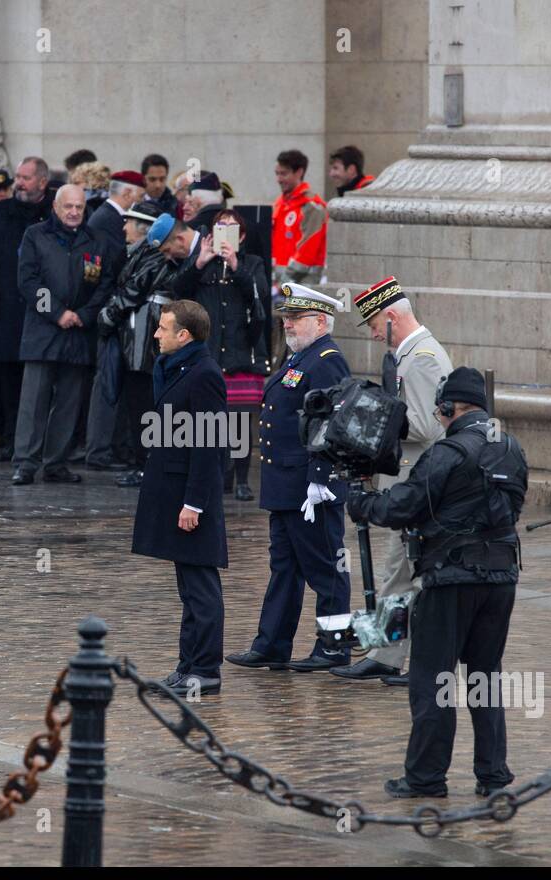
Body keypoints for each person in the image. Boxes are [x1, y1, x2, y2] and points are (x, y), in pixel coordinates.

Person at [346, 367, 528, 799]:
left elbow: (404, 506)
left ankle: (426, 777)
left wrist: (363, 503)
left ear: (449, 408)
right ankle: (493, 774)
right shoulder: (512, 447)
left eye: (441, 410)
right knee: (485, 677)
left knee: (432, 679)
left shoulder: (447, 451)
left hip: (449, 579)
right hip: (501, 577)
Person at [329, 276, 454, 683]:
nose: (372, 335)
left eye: (373, 326)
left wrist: (375, 420)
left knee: (402, 574)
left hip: (416, 481)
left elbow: (426, 426)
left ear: (391, 317)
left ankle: (390, 656)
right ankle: (384, 653)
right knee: (398, 573)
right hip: (407, 481)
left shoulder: (421, 357)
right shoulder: (412, 355)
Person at [225, 284, 353, 673]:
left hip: (307, 486)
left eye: (296, 319)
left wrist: (320, 479)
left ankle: (334, 648)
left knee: (325, 567)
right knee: (285, 566)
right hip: (285, 484)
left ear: (320, 321)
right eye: (286, 317)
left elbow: (330, 424)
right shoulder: (300, 358)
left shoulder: (326, 359)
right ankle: (272, 644)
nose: (287, 324)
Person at [131, 299, 228, 694]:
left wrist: (195, 503)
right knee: (187, 587)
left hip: (191, 497)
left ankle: (205, 669)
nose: (156, 334)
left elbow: (209, 446)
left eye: (163, 328)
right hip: (172, 490)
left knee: (201, 588)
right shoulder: (173, 367)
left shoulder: (204, 374)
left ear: (183, 335)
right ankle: (188, 663)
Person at [10, 184, 118, 484]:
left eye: (79, 208)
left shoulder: (95, 239)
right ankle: (25, 463)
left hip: (79, 332)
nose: (73, 213)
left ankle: (56, 462)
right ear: (56, 207)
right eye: (68, 207)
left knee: (69, 402)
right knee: (34, 400)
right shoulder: (35, 235)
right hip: (43, 330)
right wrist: (57, 312)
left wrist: (82, 315)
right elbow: (28, 280)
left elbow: (105, 284)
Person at [170, 207, 270, 501]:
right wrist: (199, 261)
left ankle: (241, 479)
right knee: (211, 420)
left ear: (240, 236)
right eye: (220, 227)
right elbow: (179, 292)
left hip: (241, 351)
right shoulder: (200, 264)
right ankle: (218, 475)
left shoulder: (251, 263)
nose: (225, 231)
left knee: (238, 421)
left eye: (231, 228)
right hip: (208, 353)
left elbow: (260, 295)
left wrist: (236, 266)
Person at [0, 156, 54, 460]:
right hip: (7, 309)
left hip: (43, 311)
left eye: (25, 178)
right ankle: (11, 438)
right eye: (17, 176)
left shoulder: (53, 212)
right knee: (7, 377)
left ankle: (40, 442)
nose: (18, 183)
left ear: (42, 182)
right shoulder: (0, 212)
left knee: (39, 379)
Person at [99, 201, 173, 488]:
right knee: (136, 405)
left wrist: (107, 314)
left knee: (144, 406)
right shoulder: (140, 253)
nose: (123, 227)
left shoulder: (153, 255)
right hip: (135, 341)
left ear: (143, 227)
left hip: (145, 344)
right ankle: (142, 462)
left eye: (128, 222)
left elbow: (134, 289)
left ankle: (147, 465)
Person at [83, 170, 145, 470]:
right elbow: (110, 267)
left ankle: (109, 448)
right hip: (112, 311)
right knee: (106, 382)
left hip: (112, 310)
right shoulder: (107, 220)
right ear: (130, 194)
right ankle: (101, 451)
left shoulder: (104, 217)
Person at [271, 149, 327, 286]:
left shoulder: (313, 206)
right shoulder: (279, 204)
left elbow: (308, 248)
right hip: (281, 283)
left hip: (305, 283)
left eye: (283, 174)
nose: (279, 179)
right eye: (277, 174)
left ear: (299, 172)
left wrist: (284, 280)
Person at [86, 170, 144, 253]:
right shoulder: (106, 219)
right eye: (141, 196)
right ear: (127, 194)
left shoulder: (108, 215)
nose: (142, 201)